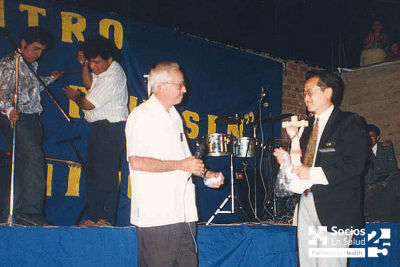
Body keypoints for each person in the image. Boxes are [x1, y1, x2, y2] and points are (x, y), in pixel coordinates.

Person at [125, 62, 224, 267]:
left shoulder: (175, 117)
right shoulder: (142, 115)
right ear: (161, 86)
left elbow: (188, 161)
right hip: (157, 215)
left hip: (184, 214)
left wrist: (207, 174)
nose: (185, 90)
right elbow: (137, 161)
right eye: (180, 85)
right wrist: (181, 165)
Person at [274, 70, 368, 267]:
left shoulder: (350, 122)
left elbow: (355, 164)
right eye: (304, 93)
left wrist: (312, 173)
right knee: (307, 263)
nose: (306, 97)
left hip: (336, 208)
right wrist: (287, 162)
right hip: (307, 202)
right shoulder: (306, 126)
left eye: (310, 92)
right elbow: (302, 165)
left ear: (328, 92)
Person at [0, 26, 62, 225]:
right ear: (23, 44)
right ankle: (31, 211)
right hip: (17, 117)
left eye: (41, 51)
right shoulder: (11, 63)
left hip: (32, 117)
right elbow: (1, 92)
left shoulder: (31, 65)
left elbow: (31, 87)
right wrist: (10, 110)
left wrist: (51, 78)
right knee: (34, 159)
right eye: (35, 48)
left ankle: (14, 213)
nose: (38, 54)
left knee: (22, 163)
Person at [63, 35, 128, 227]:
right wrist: (84, 64)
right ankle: (94, 217)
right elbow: (89, 84)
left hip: (111, 129)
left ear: (110, 60)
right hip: (100, 129)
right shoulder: (105, 68)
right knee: (93, 174)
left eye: (96, 62)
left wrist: (76, 98)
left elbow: (88, 104)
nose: (93, 67)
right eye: (90, 62)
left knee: (106, 174)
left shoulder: (113, 76)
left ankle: (106, 219)